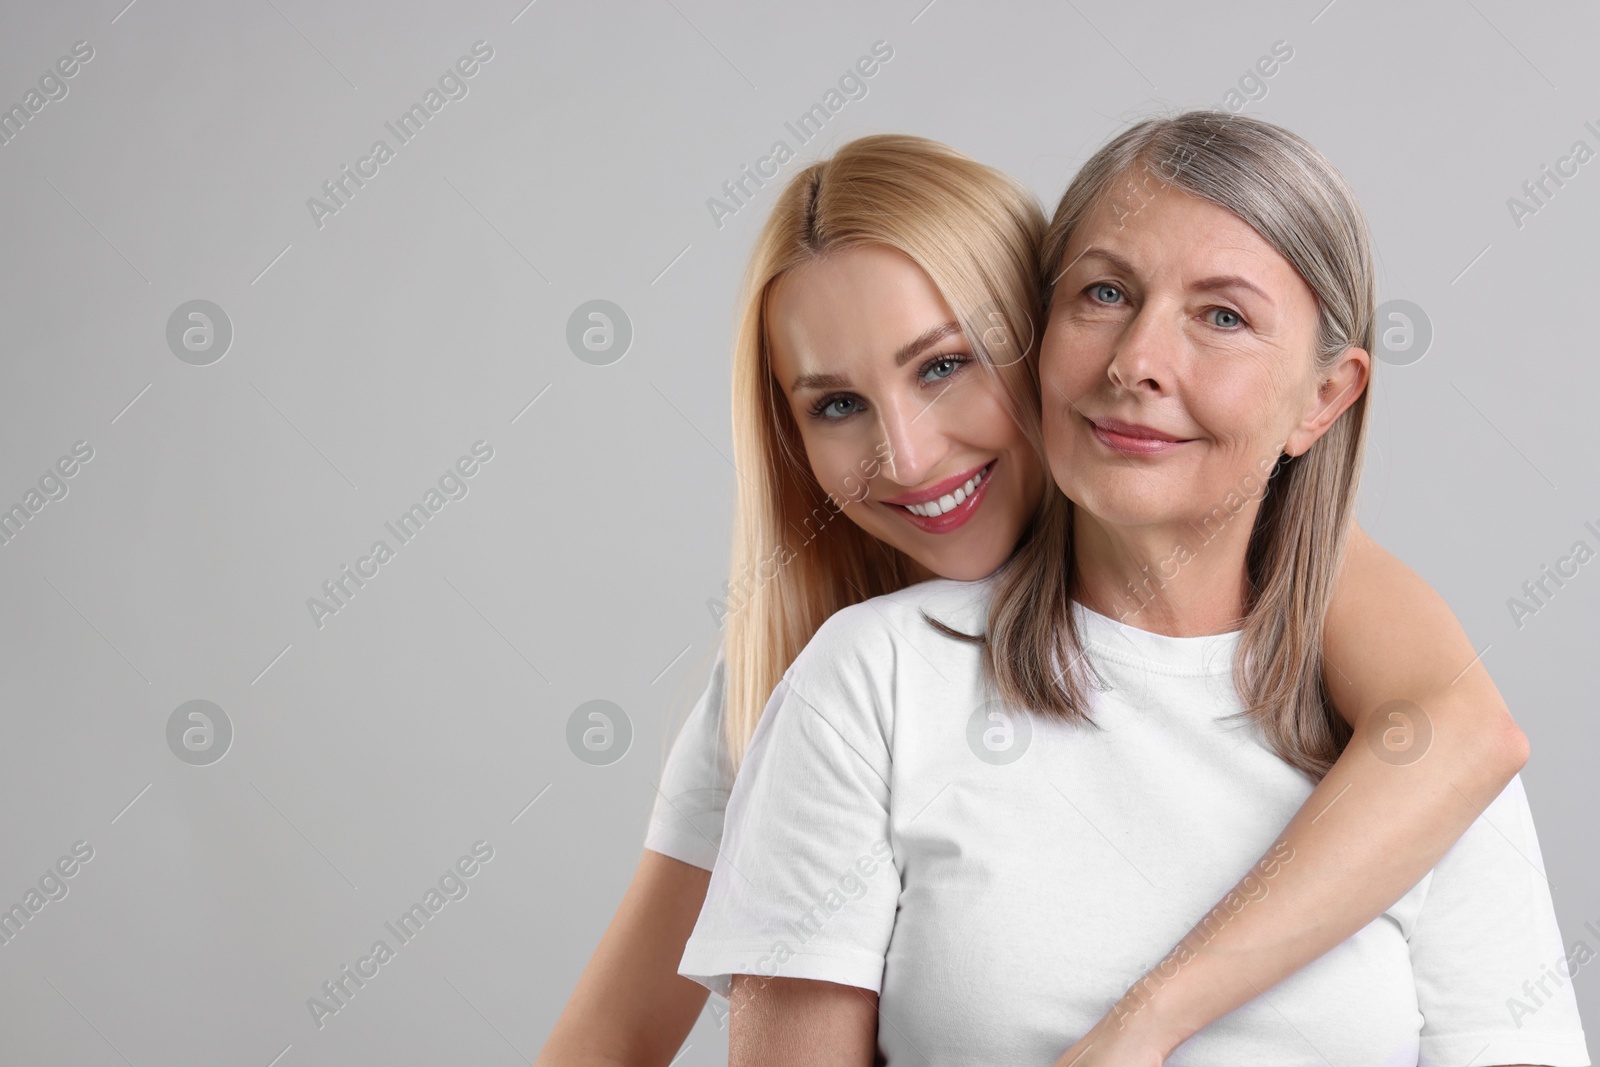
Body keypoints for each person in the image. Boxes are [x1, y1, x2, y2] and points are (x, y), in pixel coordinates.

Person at [536, 130, 1536, 1066]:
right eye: (835, 403)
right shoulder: (828, 676)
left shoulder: (1360, 679)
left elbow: (1455, 727)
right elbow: (609, 1041)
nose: (909, 456)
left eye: (944, 366)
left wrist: (1138, 1027)